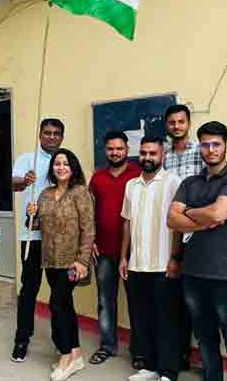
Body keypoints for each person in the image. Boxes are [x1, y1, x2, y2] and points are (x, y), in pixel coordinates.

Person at [168, 121, 227, 381]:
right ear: (200, 147)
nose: (211, 149)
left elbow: (219, 212)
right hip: (193, 274)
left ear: (225, 146)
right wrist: (205, 218)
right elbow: (172, 220)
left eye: (216, 144)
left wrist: (190, 213)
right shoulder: (190, 182)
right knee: (206, 340)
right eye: (205, 144)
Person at [119, 137, 184, 381]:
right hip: (137, 264)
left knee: (166, 320)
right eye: (143, 153)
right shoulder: (131, 186)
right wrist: (124, 256)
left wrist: (176, 258)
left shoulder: (173, 183)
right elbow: (127, 221)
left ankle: (168, 372)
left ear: (162, 155)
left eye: (152, 153)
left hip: (163, 264)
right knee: (142, 319)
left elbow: (178, 226)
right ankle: (149, 366)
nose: (147, 157)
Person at [27, 148, 95, 381]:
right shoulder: (45, 194)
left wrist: (82, 260)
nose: (61, 167)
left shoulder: (80, 193)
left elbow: (88, 230)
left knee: (56, 304)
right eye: (57, 163)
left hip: (72, 263)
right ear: (52, 168)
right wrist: (31, 215)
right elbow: (36, 226)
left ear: (73, 167)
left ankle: (65, 355)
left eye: (66, 163)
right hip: (50, 260)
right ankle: (76, 353)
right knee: (65, 305)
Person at [10, 118, 65, 362]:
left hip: (57, 238)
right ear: (40, 135)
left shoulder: (64, 160)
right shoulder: (27, 159)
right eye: (47, 133)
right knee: (29, 289)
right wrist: (24, 180)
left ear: (61, 137)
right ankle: (22, 340)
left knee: (59, 292)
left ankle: (61, 340)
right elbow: (13, 185)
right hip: (31, 236)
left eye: (56, 134)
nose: (52, 137)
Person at [87, 131, 141, 365]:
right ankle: (107, 345)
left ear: (127, 150)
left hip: (135, 251)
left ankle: (139, 350)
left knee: (137, 302)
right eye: (111, 149)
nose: (115, 152)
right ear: (105, 151)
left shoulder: (138, 174)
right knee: (105, 300)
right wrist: (89, 243)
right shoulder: (97, 178)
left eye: (119, 148)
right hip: (104, 250)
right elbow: (88, 213)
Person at [162, 104, 203, 371]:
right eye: (172, 122)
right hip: (169, 234)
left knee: (198, 299)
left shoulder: (202, 151)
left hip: (197, 234)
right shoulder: (162, 155)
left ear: (188, 123)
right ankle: (181, 354)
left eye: (181, 122)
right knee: (175, 298)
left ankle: (204, 356)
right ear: (167, 125)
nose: (176, 126)